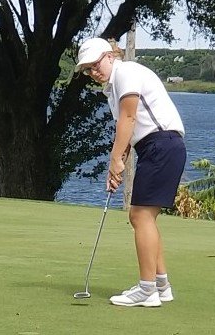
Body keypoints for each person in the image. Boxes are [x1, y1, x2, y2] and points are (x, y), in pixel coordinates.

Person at [75, 37, 187, 307]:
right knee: (145, 217)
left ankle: (146, 289)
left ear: (110, 55)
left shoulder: (126, 72)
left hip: (162, 144)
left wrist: (116, 160)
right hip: (155, 147)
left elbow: (129, 118)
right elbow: (126, 131)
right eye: (88, 69)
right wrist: (117, 166)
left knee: (139, 216)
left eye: (95, 64)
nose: (93, 72)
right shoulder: (113, 87)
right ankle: (161, 286)